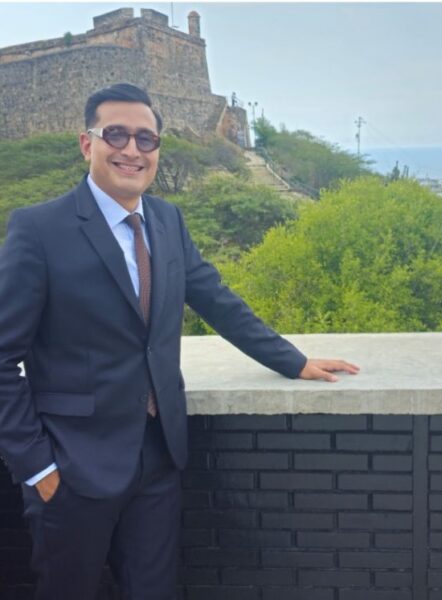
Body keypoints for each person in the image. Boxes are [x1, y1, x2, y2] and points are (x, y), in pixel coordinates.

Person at [0, 83, 359, 600]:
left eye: (146, 139)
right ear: (87, 143)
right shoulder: (39, 229)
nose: (132, 149)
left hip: (158, 459)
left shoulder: (167, 220)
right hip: (73, 466)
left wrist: (292, 361)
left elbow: (216, 299)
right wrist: (37, 466)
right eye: (116, 135)